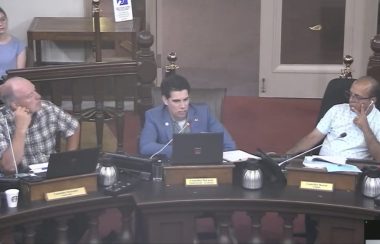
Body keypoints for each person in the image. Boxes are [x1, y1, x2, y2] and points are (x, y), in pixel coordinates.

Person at [139, 73, 236, 158]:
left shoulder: (203, 112)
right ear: (165, 100)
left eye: (185, 100)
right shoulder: (154, 116)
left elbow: (229, 145)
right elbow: (145, 147)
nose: (183, 106)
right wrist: (185, 151)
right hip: (171, 169)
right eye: (176, 101)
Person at [287, 75, 380, 161]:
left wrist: (365, 128)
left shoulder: (377, 119)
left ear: (372, 100)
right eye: (350, 94)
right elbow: (313, 137)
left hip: (353, 172)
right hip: (322, 165)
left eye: (357, 97)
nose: (351, 99)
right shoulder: (337, 110)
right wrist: (287, 155)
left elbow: (378, 157)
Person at [0, 76, 80, 175]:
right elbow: (9, 167)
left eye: (35, 91)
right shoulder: (2, 121)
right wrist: (20, 129)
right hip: (21, 178)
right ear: (15, 105)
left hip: (50, 172)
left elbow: (73, 127)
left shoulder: (47, 108)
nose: (38, 96)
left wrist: (68, 158)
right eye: (30, 96)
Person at [0, 8, 26, 79]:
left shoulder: (18, 45)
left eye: (3, 19)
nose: (1, 24)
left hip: (10, 83)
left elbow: (19, 74)